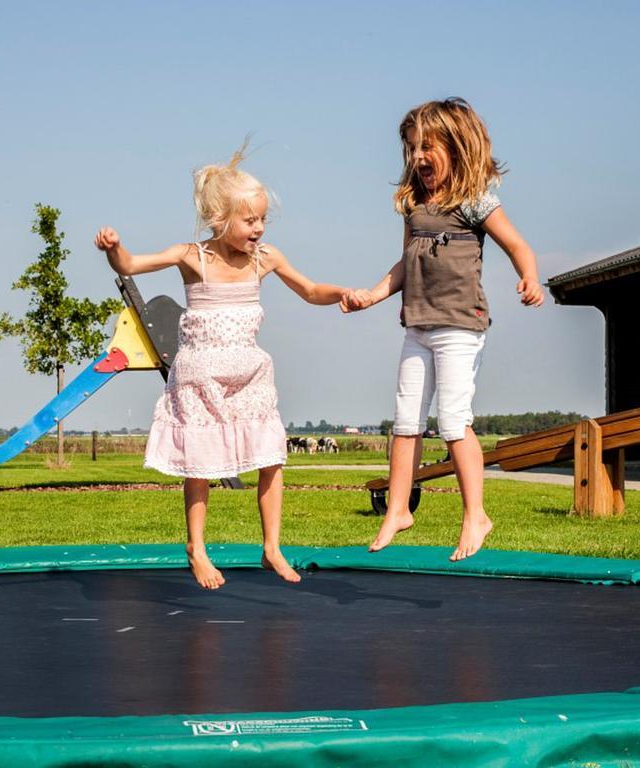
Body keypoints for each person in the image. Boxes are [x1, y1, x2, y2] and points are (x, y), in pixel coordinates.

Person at [94, 146, 347, 589]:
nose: (259, 229)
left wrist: (346, 293)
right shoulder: (194, 257)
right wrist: (116, 249)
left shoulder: (264, 258)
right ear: (219, 220)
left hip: (249, 375)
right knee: (201, 466)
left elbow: (309, 289)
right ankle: (197, 547)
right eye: (250, 221)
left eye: (263, 220)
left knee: (271, 458)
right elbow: (132, 265)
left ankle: (271, 548)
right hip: (200, 377)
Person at [342, 98, 544, 560]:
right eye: (412, 149)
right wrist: (373, 295)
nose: (418, 158)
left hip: (459, 326)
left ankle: (476, 514)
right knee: (406, 422)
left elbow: (517, 245)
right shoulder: (414, 205)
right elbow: (406, 264)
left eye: (427, 148)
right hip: (417, 324)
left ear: (456, 146)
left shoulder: (475, 201)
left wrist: (529, 278)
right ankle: (398, 508)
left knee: (453, 421)